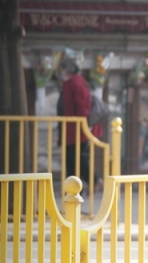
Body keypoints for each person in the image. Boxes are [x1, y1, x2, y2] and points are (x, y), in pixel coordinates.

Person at [58, 57, 104, 194]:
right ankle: (73, 188)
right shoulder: (72, 82)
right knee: (71, 159)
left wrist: (85, 124)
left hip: (78, 129)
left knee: (77, 157)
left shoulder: (76, 82)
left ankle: (94, 180)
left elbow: (83, 106)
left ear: (67, 70)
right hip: (72, 129)